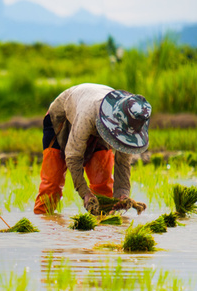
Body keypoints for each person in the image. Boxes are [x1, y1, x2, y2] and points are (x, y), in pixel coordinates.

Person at [33, 83, 151, 215]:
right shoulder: (88, 113)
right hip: (65, 120)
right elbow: (73, 157)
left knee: (104, 190)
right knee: (51, 186)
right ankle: (43, 225)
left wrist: (122, 194)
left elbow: (122, 162)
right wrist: (85, 194)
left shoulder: (131, 122)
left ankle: (103, 231)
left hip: (99, 127)